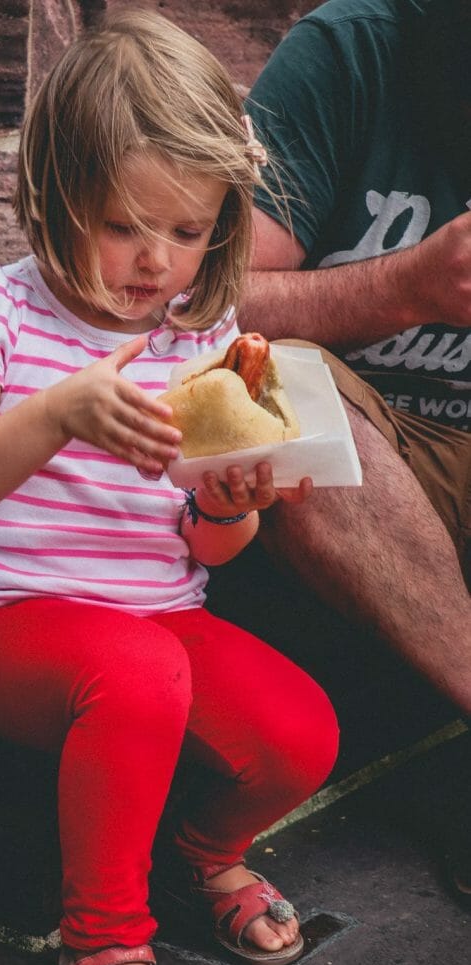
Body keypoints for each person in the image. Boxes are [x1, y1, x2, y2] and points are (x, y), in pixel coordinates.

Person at [0, 10, 338, 965]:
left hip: (159, 616)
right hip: (9, 622)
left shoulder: (200, 335)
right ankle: (100, 939)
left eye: (186, 232)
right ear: (53, 194)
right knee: (140, 675)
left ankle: (203, 853)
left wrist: (226, 502)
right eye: (122, 225)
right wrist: (55, 413)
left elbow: (206, 544)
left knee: (299, 733)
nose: (155, 263)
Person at [240, 0, 471, 901]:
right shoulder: (350, 49)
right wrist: (410, 285)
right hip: (366, 462)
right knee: (269, 389)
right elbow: (208, 302)